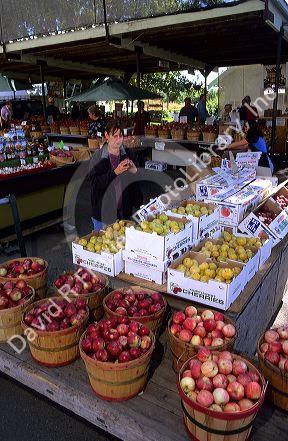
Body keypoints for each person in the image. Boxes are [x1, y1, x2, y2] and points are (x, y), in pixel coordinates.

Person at [88, 120, 143, 231]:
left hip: (125, 211)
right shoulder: (98, 157)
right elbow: (94, 182)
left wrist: (134, 170)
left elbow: (139, 176)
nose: (119, 140)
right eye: (115, 136)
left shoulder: (128, 153)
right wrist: (115, 173)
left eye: (121, 136)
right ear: (107, 136)